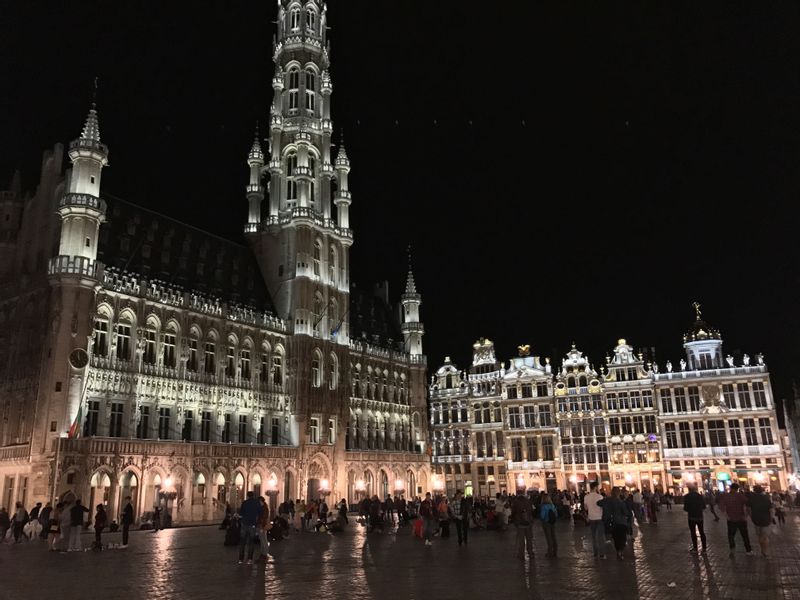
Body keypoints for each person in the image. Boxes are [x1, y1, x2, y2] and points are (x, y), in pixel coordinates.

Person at [720, 483, 752, 557]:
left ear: (731, 488)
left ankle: (732, 549)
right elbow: (748, 504)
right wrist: (746, 515)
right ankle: (748, 550)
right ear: (737, 488)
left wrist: (726, 515)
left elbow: (721, 506)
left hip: (731, 519)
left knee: (731, 535)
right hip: (741, 518)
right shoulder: (740, 496)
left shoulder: (726, 496)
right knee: (744, 535)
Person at [600, 488, 631, 560]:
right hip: (621, 522)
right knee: (622, 537)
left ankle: (618, 551)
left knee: (616, 538)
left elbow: (599, 503)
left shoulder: (608, 500)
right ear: (618, 493)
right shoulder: (620, 502)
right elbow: (626, 512)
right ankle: (620, 551)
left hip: (613, 522)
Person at [237, 491, 263, 565]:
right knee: (251, 542)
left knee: (242, 542)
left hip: (244, 524)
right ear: (253, 496)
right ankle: (249, 559)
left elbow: (241, 513)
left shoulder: (244, 503)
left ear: (247, 496)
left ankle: (240, 559)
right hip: (252, 525)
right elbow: (260, 512)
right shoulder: (256, 503)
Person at [747, 485, 772, 558]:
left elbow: (748, 509)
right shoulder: (766, 498)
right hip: (766, 519)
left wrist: (751, 516)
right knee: (765, 536)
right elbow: (770, 509)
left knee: (760, 535)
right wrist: (771, 517)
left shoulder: (751, 498)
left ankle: (762, 549)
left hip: (756, 519)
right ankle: (766, 551)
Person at [511, 489, 535, 560]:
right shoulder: (528, 501)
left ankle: (521, 554)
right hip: (528, 523)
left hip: (520, 523)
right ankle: (530, 553)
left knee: (521, 540)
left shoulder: (515, 502)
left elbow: (513, 512)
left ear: (517, 494)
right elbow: (531, 510)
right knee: (529, 539)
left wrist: (514, 521)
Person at [584, 482, 606, 559]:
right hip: (599, 517)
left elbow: (586, 508)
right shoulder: (600, 496)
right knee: (600, 536)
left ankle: (595, 553)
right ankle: (602, 554)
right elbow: (603, 507)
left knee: (593, 536)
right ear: (596, 487)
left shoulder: (586, 497)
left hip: (591, 517)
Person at [683, 484, 707, 553]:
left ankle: (695, 548)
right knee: (702, 532)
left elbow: (685, 508)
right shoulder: (700, 496)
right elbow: (704, 506)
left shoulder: (687, 497)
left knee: (693, 533)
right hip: (700, 517)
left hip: (691, 517)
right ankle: (704, 548)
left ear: (689, 489)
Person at [539, 493, 558, 558]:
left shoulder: (543, 506)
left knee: (548, 538)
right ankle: (555, 551)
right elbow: (556, 514)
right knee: (553, 536)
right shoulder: (552, 505)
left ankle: (550, 552)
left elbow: (542, 516)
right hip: (552, 522)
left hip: (546, 523)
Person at [256, 496, 271, 562]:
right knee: (263, 539)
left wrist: (262, 526)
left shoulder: (264, 508)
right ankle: (263, 553)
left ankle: (264, 553)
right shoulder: (264, 507)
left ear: (261, 501)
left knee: (263, 540)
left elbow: (264, 518)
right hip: (261, 525)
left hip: (262, 526)